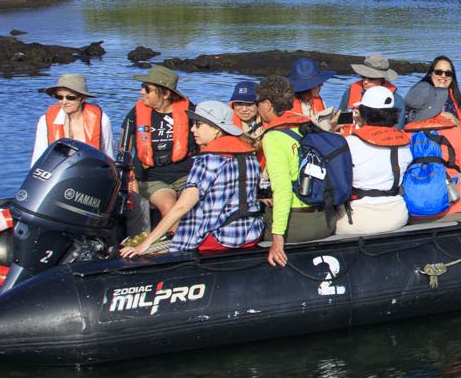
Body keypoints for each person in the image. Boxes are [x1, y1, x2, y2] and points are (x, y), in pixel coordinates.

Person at [120, 101, 265, 256]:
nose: (192, 129)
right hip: (251, 233)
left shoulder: (208, 160)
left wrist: (145, 245)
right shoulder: (250, 156)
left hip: (218, 239)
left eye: (198, 125)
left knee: (157, 249)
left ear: (216, 129)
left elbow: (181, 207)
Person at [255, 74, 343, 265]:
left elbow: (283, 189)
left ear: (267, 104)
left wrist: (277, 237)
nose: (256, 107)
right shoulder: (310, 125)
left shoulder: (273, 137)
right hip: (325, 221)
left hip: (297, 226)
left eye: (257, 102)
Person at [119, 65, 196, 225]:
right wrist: (129, 176)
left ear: (165, 93)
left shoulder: (190, 111)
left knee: (196, 203)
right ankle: (171, 241)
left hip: (184, 175)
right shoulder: (136, 113)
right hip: (151, 177)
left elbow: (205, 143)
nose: (142, 92)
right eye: (143, 87)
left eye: (147, 89)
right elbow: (124, 147)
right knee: (169, 205)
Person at [339, 86, 411, 235]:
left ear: (363, 113)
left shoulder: (350, 143)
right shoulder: (405, 143)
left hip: (359, 219)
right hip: (397, 215)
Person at [31, 72, 112, 162]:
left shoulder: (102, 120)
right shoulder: (44, 121)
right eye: (59, 97)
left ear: (83, 98)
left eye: (70, 97)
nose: (64, 102)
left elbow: (109, 157)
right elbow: (38, 158)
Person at [404, 54, 461, 128]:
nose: (443, 76)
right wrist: (446, 116)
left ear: (452, 77)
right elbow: (412, 116)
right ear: (431, 74)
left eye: (448, 73)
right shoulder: (422, 91)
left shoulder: (454, 96)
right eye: (438, 72)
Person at [339, 54, 403, 125]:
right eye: (363, 76)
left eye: (371, 78)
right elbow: (339, 120)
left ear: (382, 79)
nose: (365, 82)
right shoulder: (350, 92)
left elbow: (397, 128)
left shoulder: (396, 100)